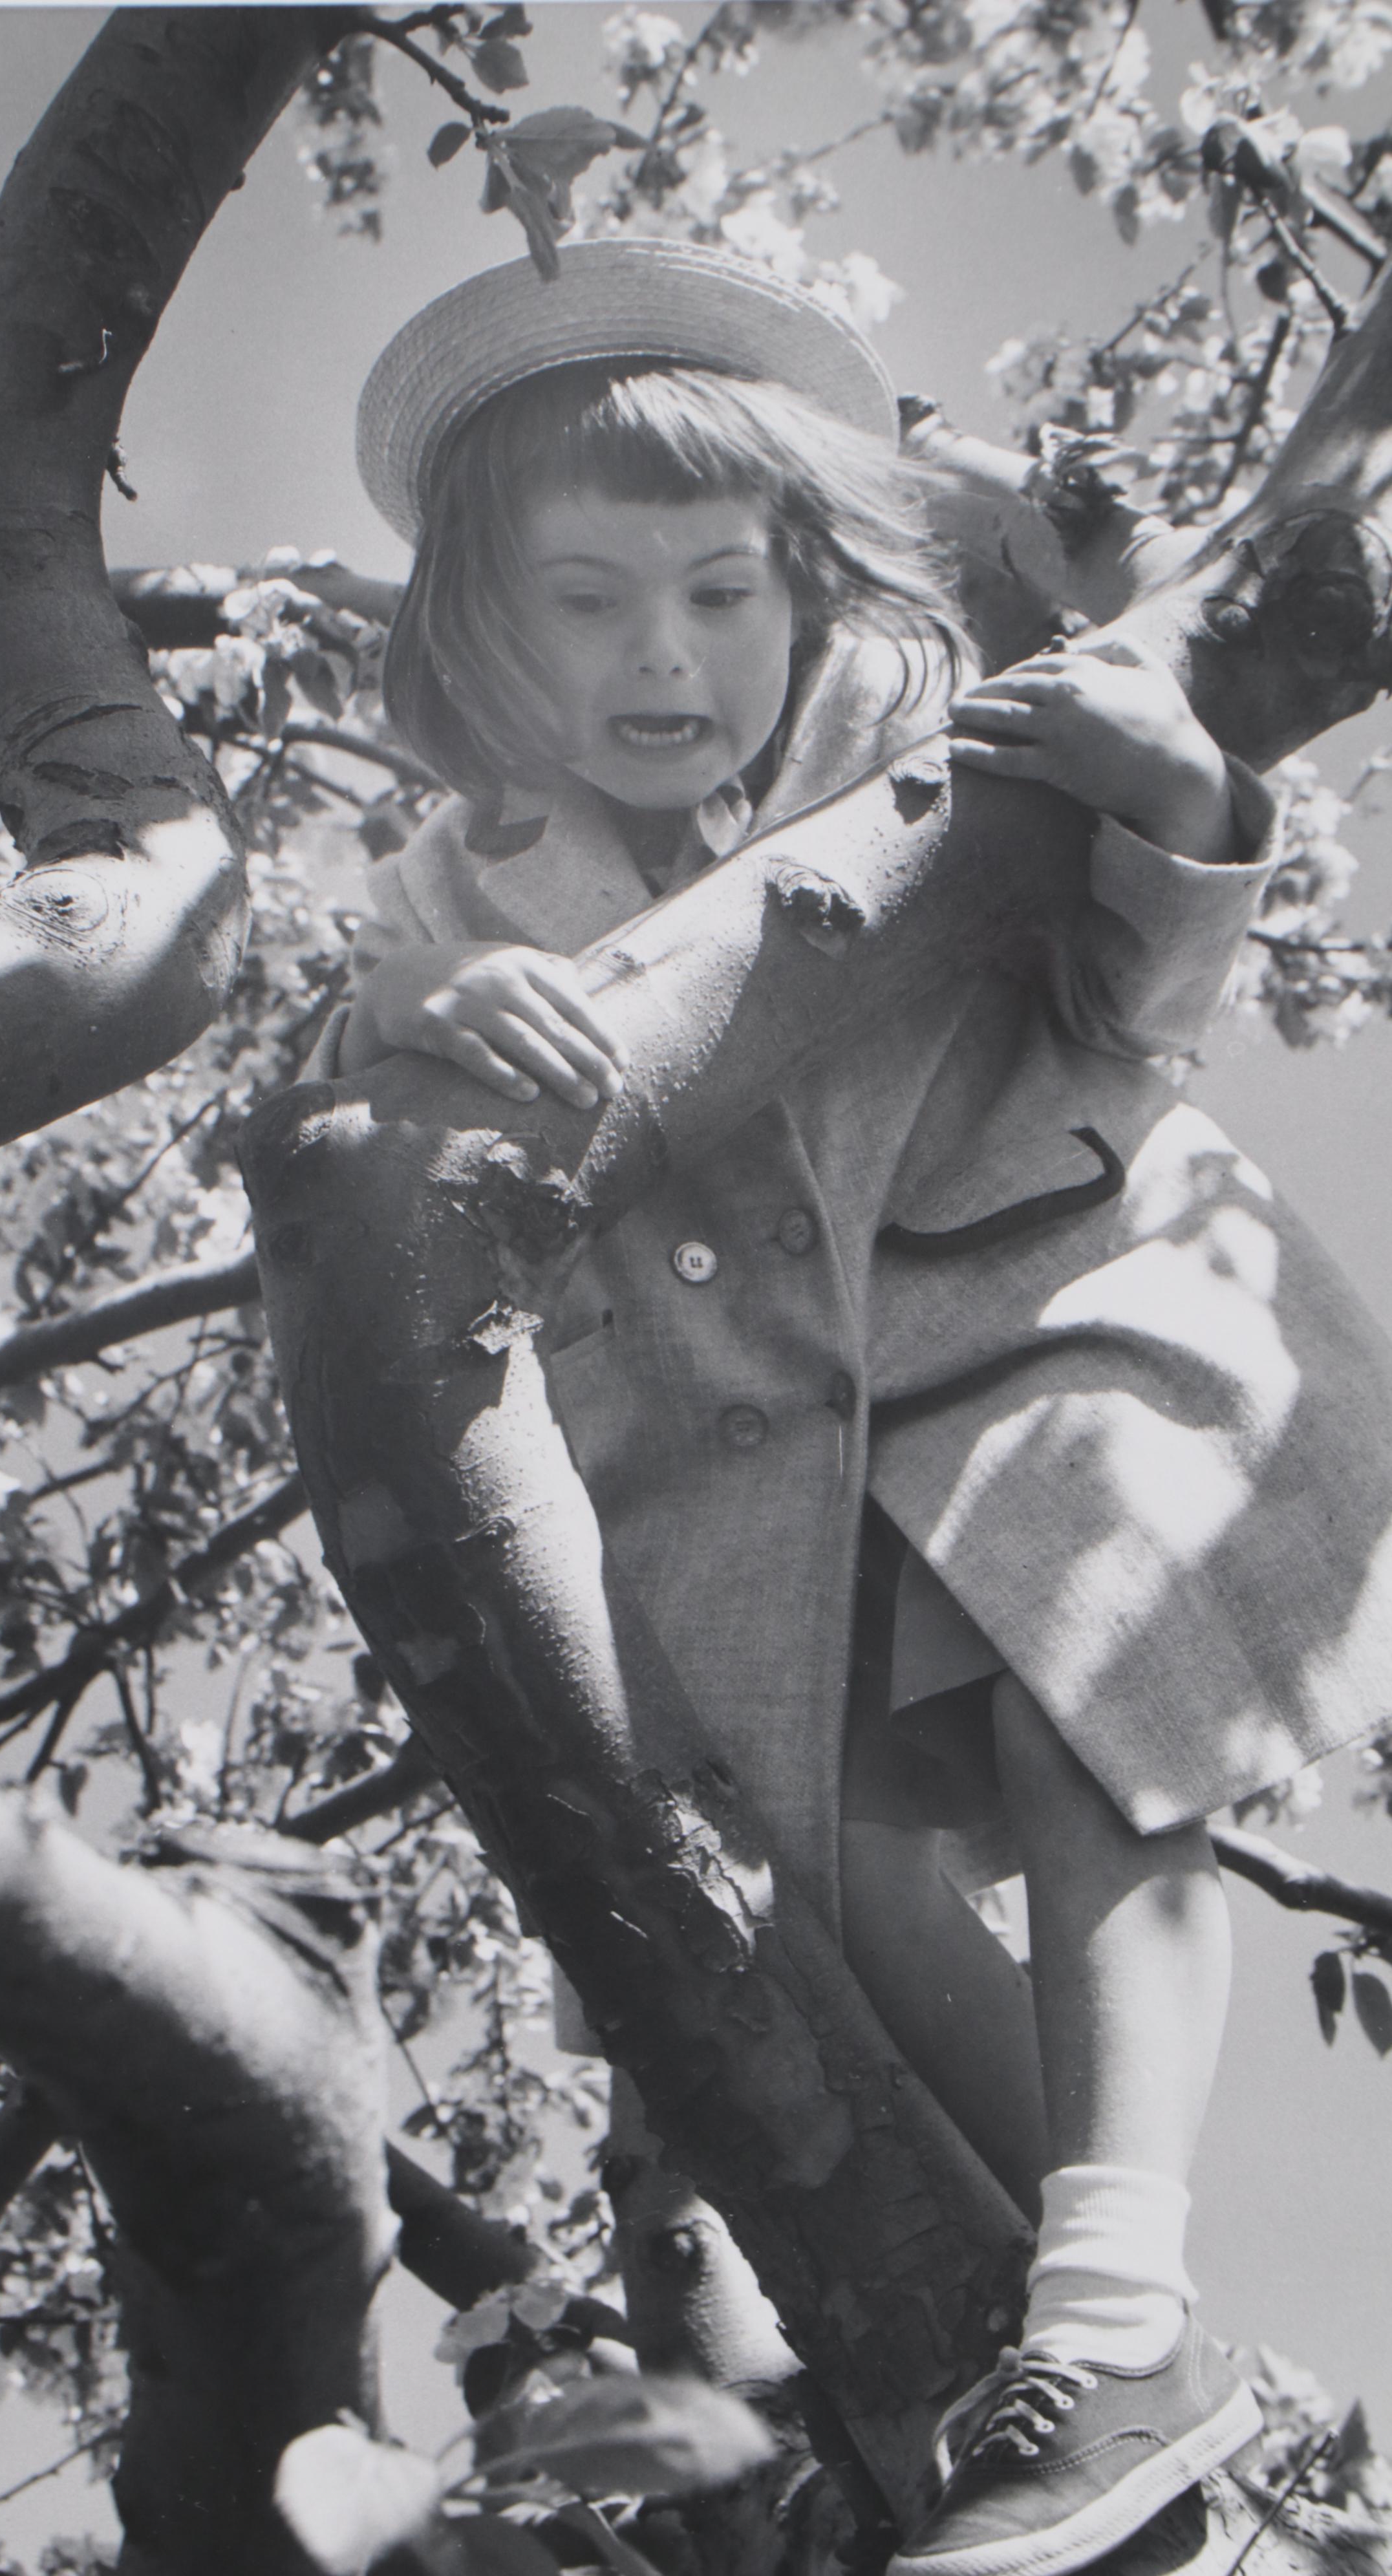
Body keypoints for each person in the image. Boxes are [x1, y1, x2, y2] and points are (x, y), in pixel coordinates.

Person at [314, 238, 1392, 2576]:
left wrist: (1180, 800)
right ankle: (1078, 2368)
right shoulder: (455, 884)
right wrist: (413, 1033)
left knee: (1095, 1710)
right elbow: (349, 1119)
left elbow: (1130, 1000)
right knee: (835, 1875)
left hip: (1054, 1305)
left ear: (803, 585)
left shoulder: (928, 734)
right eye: (586, 603)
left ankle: (1110, 2304)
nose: (663, 660)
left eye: (720, 592)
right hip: (749, 1446)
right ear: (477, 632)